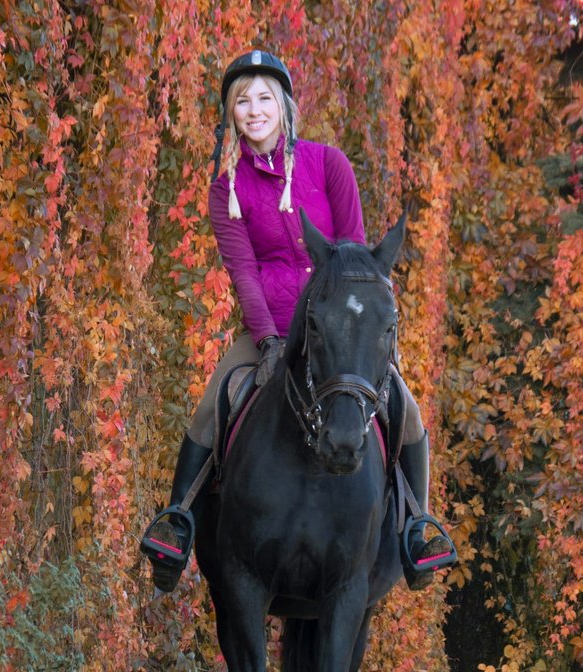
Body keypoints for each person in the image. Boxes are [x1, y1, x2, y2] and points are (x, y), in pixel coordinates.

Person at [141, 49, 454, 593]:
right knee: (212, 404)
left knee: (407, 410)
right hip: (272, 326)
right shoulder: (227, 191)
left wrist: (356, 333)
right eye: (243, 101)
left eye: (264, 98)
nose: (254, 110)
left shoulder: (328, 164)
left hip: (342, 332)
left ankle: (417, 531)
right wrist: (264, 340)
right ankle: (178, 524)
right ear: (231, 115)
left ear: (284, 106)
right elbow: (243, 271)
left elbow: (354, 256)